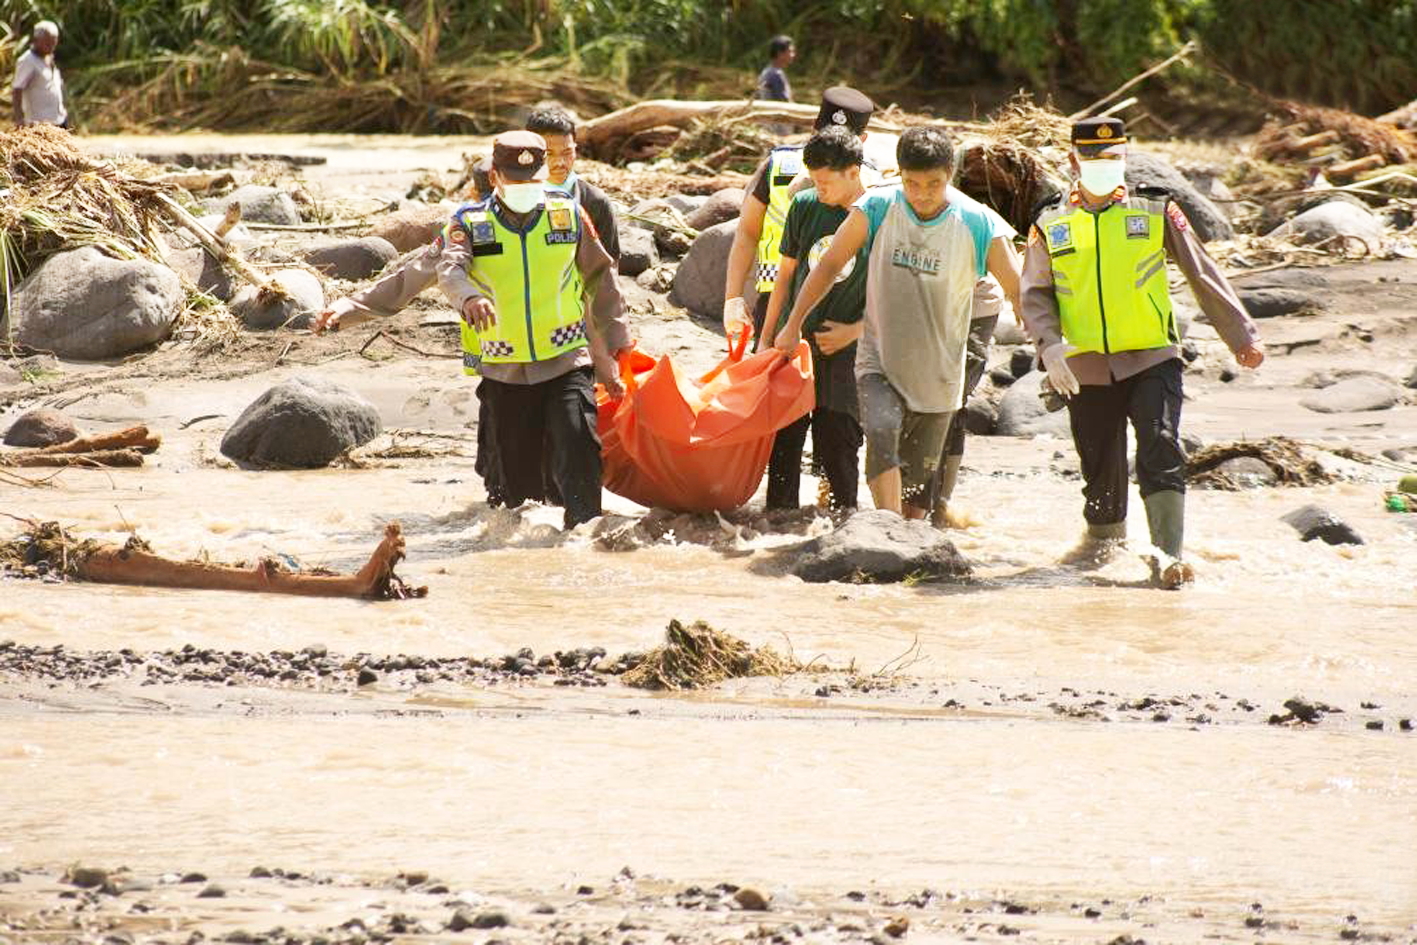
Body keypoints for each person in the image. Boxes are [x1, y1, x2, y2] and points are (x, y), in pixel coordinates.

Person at [1020, 116, 1264, 588]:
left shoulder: (1155, 208)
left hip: (1152, 354)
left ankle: (1167, 557)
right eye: (1094, 157)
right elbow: (1035, 294)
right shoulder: (1050, 221)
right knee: (1100, 468)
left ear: (1125, 157)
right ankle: (1101, 549)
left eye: (1114, 157)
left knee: (1160, 441)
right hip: (1084, 364)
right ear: (1073, 160)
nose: (1104, 164)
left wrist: (1242, 336)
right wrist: (1049, 351)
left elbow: (1201, 271)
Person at [775, 126, 1021, 519]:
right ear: (900, 175)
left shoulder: (979, 223)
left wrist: (1051, 345)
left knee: (916, 498)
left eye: (933, 184)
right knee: (881, 431)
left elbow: (1019, 291)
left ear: (950, 175)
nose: (922, 194)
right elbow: (829, 265)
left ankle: (905, 534)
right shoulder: (877, 207)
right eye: (912, 183)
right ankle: (884, 529)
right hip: (880, 359)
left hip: (939, 371)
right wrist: (792, 325)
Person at [437, 130, 631, 529]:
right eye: (515, 179)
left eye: (533, 179)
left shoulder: (569, 213)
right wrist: (469, 298)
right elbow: (448, 269)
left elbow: (601, 276)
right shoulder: (470, 222)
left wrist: (616, 345)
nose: (525, 187)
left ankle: (584, 537)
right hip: (505, 370)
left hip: (566, 357)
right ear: (495, 177)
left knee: (579, 446)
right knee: (516, 493)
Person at [756, 126, 870, 511]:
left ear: (853, 172)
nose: (818, 189)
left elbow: (895, 292)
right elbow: (784, 277)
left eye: (825, 183)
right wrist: (767, 338)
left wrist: (855, 331)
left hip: (846, 346)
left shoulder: (876, 214)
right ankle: (779, 519)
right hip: (795, 341)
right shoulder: (805, 206)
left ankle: (844, 520)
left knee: (838, 435)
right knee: (784, 435)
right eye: (814, 180)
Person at [723, 86, 875, 340]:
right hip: (777, 294)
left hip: (841, 303)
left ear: (862, 140)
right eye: (825, 136)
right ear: (813, 129)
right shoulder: (779, 166)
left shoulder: (874, 184)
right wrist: (733, 299)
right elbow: (748, 231)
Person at [313, 158, 491, 334]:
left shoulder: (467, 224)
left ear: (472, 191)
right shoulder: (469, 225)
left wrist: (346, 307)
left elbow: (407, 281)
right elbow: (409, 279)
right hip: (491, 346)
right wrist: (345, 307)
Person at [526, 106, 621, 266]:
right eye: (548, 154)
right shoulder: (513, 200)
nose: (560, 162)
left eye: (567, 152)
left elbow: (609, 266)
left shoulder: (595, 201)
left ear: (576, 149)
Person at [11, 21, 66, 128]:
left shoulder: (49, 58)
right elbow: (17, 90)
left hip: (59, 119)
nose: (51, 47)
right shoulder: (27, 61)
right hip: (39, 124)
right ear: (36, 40)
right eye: (47, 43)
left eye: (53, 43)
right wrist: (19, 119)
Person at [756, 35, 794, 103]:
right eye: (790, 51)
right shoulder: (776, 74)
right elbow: (784, 101)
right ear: (780, 53)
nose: (793, 55)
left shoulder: (767, 71)